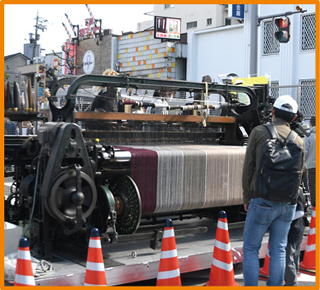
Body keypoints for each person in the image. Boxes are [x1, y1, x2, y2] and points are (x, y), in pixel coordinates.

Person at [242, 95, 305, 286]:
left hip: (262, 198)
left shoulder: (259, 132)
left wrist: (247, 196)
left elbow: (249, 166)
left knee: (251, 249)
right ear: (293, 118)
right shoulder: (299, 140)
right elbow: (300, 174)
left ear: (273, 112)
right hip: (287, 203)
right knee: (279, 248)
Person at [284, 186, 306, 286]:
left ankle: (291, 283)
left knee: (289, 258)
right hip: (298, 228)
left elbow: (300, 212)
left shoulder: (297, 189)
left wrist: (284, 219)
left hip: (293, 228)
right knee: (294, 256)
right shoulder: (298, 189)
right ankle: (293, 280)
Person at [303, 116, 316, 208]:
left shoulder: (309, 137)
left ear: (310, 124)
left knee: (313, 187)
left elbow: (305, 153)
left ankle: (314, 207)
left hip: (312, 166)